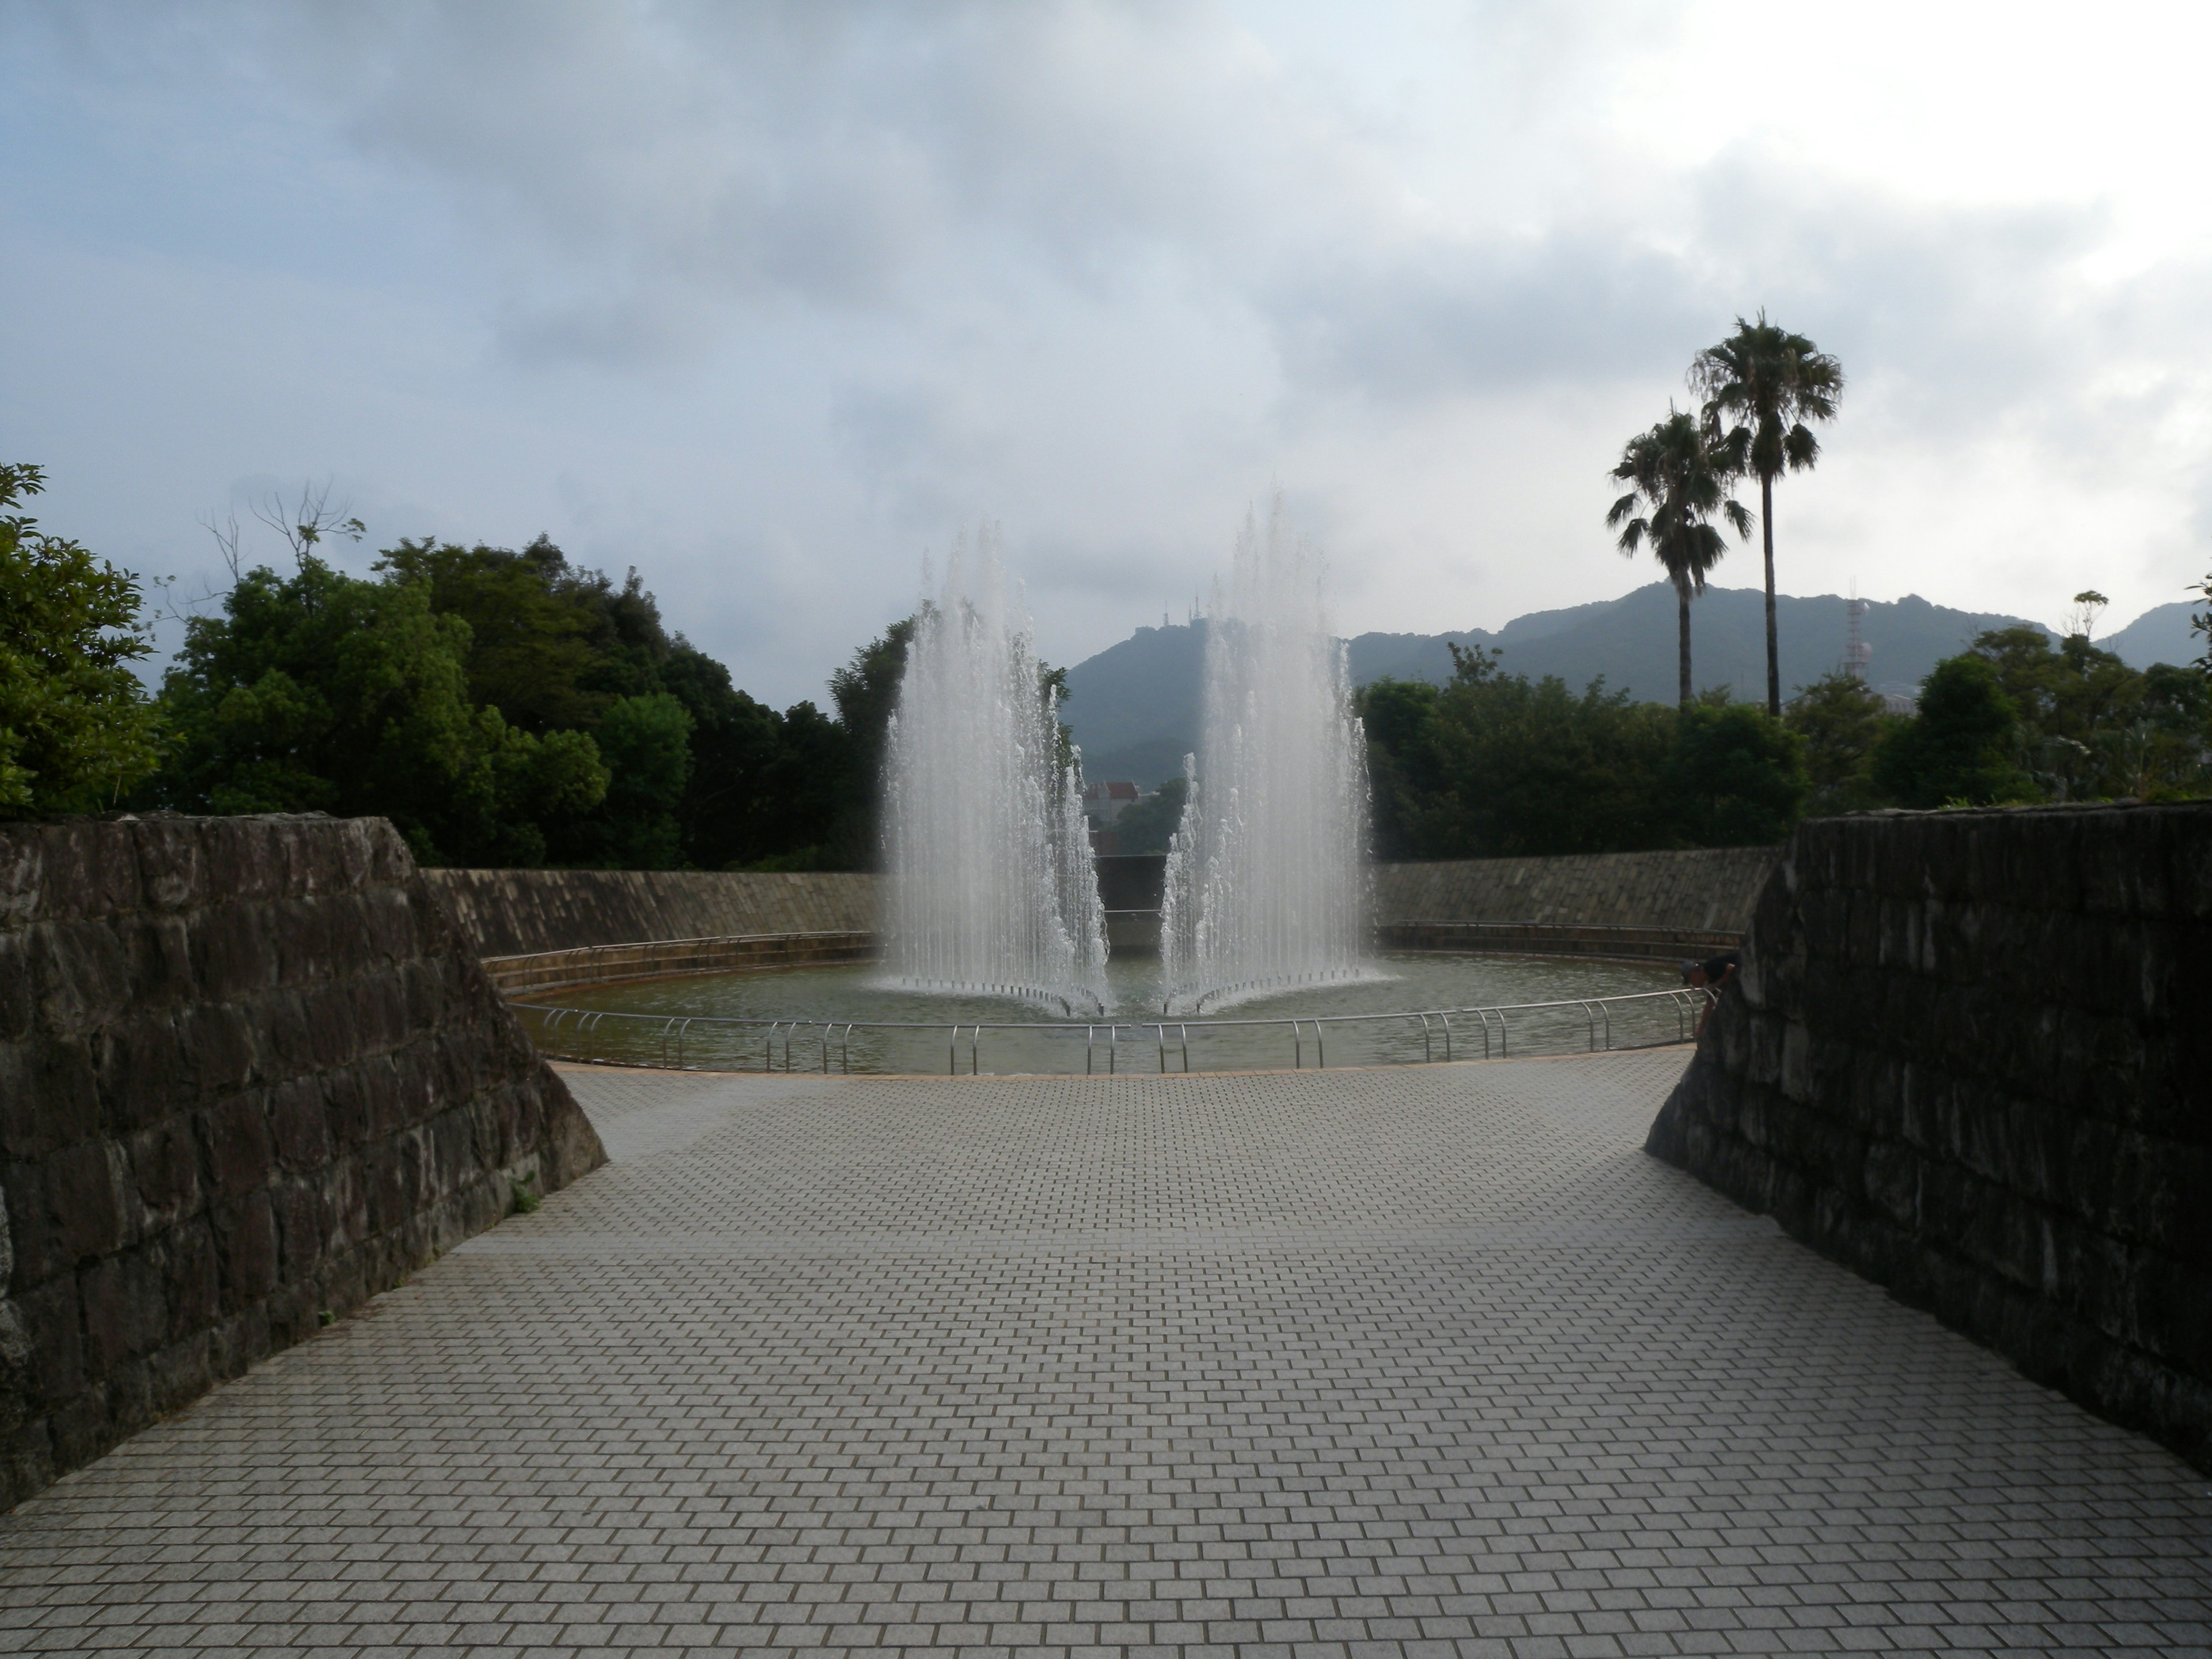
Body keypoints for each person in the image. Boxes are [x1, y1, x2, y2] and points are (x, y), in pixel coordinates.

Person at [1680, 952, 1739, 1037]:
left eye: (1691, 982)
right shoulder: (1711, 980)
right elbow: (1709, 1006)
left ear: (1693, 975)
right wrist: (1700, 1030)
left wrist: (1718, 983)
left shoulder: (1710, 967)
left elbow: (1732, 968)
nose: (1693, 985)